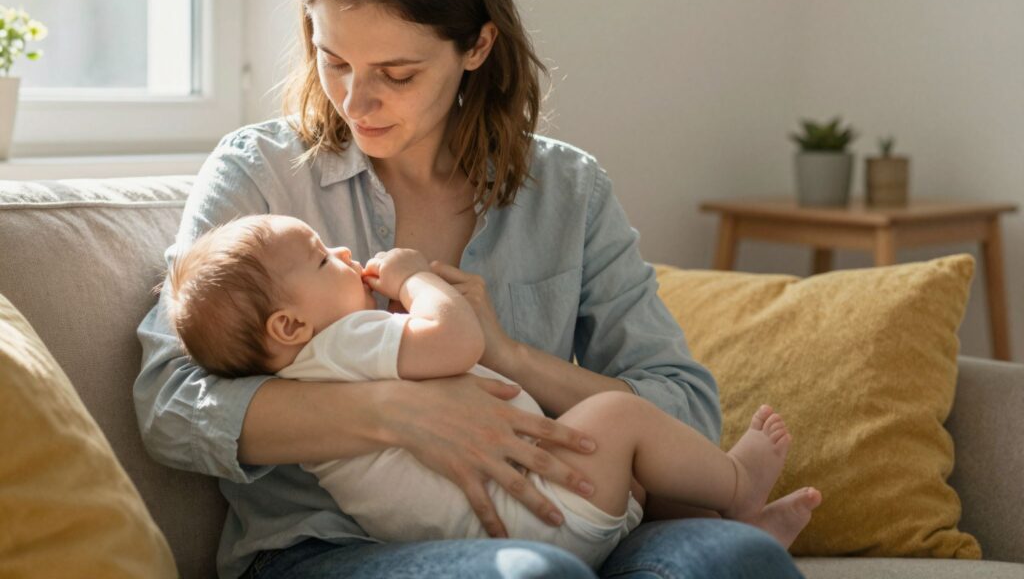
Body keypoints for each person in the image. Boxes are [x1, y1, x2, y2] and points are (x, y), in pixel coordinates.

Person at [135, 0, 818, 578]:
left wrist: (512, 357)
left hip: (563, 517)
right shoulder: (264, 174)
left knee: (739, 559)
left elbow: (685, 406)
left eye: (396, 73)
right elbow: (170, 402)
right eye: (333, 60)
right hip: (330, 548)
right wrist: (394, 414)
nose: (354, 100)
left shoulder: (566, 189)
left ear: (477, 46)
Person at [163, 213, 820, 568]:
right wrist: (418, 281)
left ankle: (741, 524)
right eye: (318, 256)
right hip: (530, 517)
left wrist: (514, 357)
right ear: (289, 325)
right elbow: (455, 343)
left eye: (398, 71)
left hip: (508, 518)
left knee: (699, 533)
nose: (340, 251)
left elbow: (678, 390)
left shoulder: (316, 361)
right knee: (620, 417)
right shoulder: (343, 342)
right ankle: (737, 484)